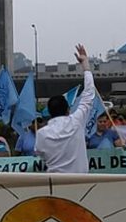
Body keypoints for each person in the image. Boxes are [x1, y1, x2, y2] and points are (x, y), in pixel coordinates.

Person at [36, 45, 96, 173]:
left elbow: (40, 153)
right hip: (80, 183)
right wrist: (85, 65)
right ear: (68, 109)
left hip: (55, 184)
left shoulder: (41, 134)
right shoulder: (77, 121)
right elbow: (89, 94)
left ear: (50, 113)